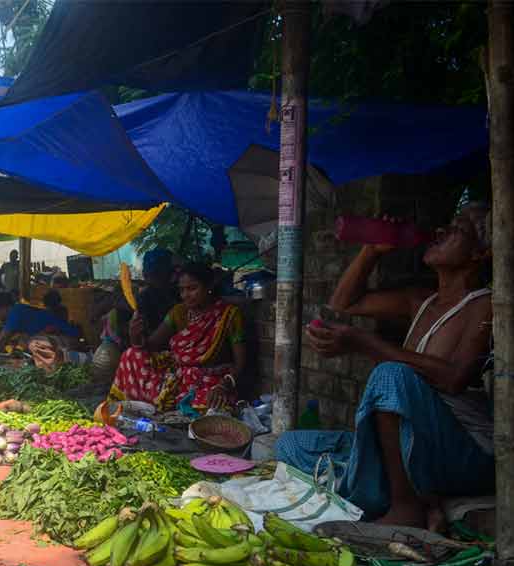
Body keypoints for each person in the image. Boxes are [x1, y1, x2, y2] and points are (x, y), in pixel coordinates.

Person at [276, 204, 495, 530]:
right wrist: (372, 250)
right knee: (289, 446)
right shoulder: (420, 301)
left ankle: (406, 507)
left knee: (391, 374)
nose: (440, 233)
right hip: (415, 451)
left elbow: (453, 378)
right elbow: (343, 303)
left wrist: (363, 343)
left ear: (481, 253)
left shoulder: (486, 303)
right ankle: (416, 494)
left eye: (457, 230)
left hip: (463, 452)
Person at [105, 262, 246, 413]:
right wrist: (135, 336)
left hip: (210, 380)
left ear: (209, 286)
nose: (185, 295)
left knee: (211, 407)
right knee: (131, 355)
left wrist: (224, 385)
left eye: (192, 288)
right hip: (177, 377)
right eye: (182, 290)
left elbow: (240, 364)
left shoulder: (229, 315)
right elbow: (150, 347)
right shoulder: (178, 312)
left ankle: (162, 402)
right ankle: (140, 404)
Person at [0, 292, 79, 364]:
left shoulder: (17, 312)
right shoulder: (17, 310)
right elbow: (0, 337)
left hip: (68, 339)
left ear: (3, 308)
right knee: (25, 339)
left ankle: (65, 362)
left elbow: (2, 339)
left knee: (32, 342)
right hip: (60, 338)